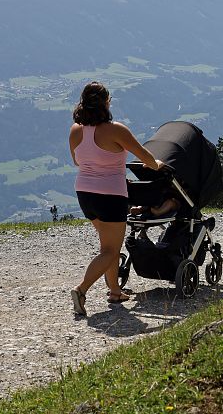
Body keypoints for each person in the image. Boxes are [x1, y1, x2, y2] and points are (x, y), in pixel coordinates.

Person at [69, 81, 165, 316]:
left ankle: (114, 291)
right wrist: (158, 165)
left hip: (85, 194)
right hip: (110, 196)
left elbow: (77, 162)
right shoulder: (116, 130)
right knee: (110, 251)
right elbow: (144, 156)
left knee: (108, 247)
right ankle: (81, 290)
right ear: (106, 102)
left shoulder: (75, 130)